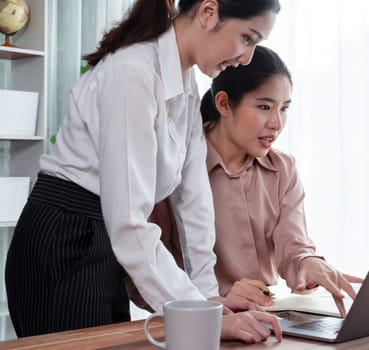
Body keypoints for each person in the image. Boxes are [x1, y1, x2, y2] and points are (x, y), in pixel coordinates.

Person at [5, 0, 282, 343]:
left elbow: (193, 199)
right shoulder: (133, 72)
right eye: (248, 38)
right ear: (209, 12)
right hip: (66, 239)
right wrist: (199, 313)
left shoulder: (184, 82)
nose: (247, 57)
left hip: (102, 237)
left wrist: (209, 298)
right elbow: (130, 222)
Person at [148, 45, 363, 318]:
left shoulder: (283, 169)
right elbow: (147, 268)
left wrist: (308, 264)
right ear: (224, 103)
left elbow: (294, 247)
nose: (276, 123)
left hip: (269, 321)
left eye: (284, 109)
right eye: (264, 107)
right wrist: (217, 298)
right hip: (201, 324)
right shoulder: (174, 166)